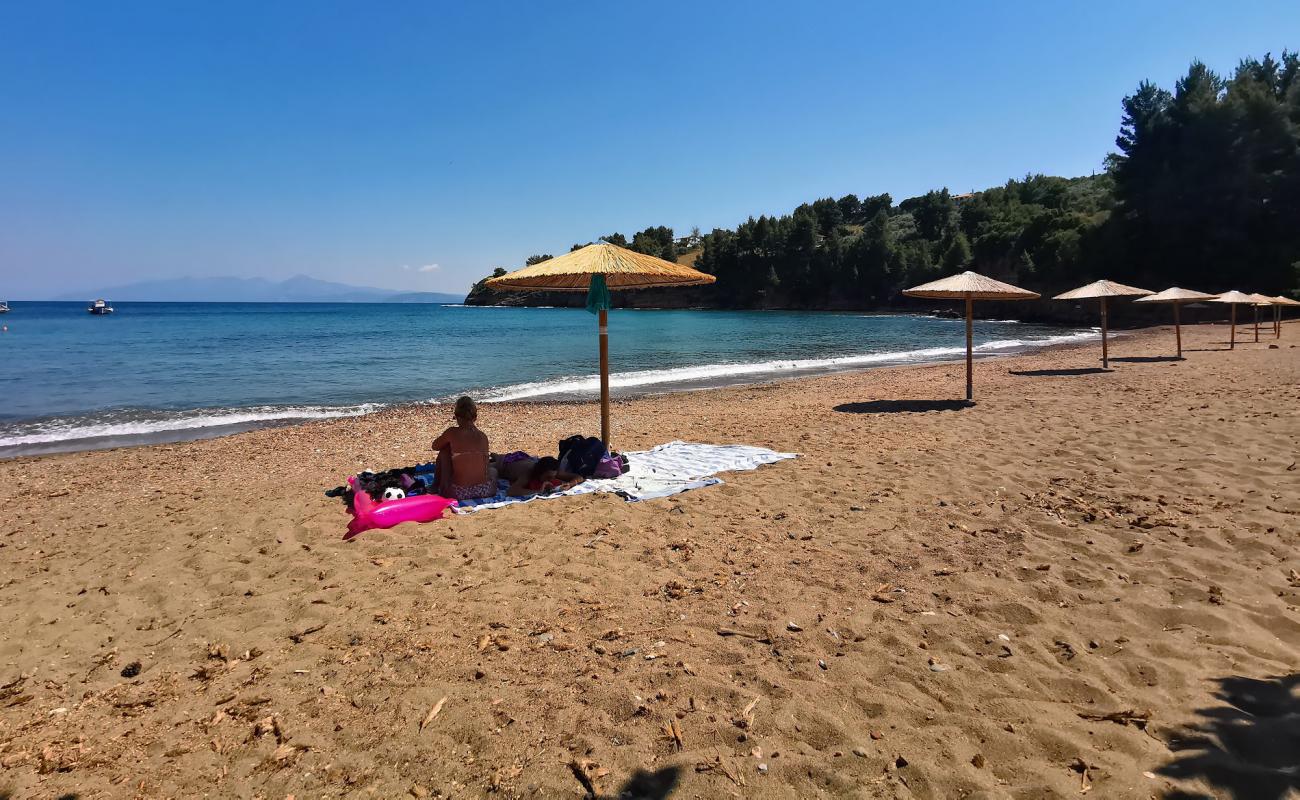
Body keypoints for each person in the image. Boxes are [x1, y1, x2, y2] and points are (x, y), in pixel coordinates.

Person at [432, 396, 497, 500]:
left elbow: (435, 446)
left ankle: (436, 486)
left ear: (457, 417)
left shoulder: (452, 433)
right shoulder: (483, 436)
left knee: (444, 450)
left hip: (457, 492)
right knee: (494, 471)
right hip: (484, 490)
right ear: (475, 417)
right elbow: (486, 467)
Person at [507, 456, 583, 497]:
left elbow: (579, 477)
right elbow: (511, 491)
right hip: (505, 463)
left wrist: (570, 484)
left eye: (554, 476)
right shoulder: (528, 473)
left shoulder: (552, 471)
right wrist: (538, 491)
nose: (552, 479)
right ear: (539, 473)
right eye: (548, 477)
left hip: (522, 459)